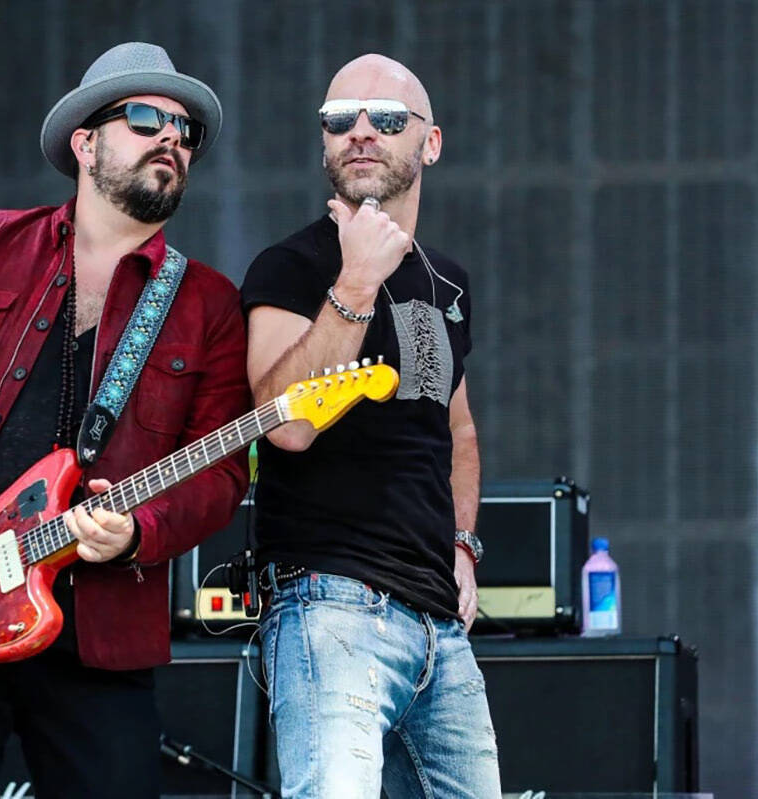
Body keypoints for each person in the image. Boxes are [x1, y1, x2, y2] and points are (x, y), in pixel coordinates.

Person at [0, 42, 249, 798]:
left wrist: (139, 531)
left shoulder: (208, 304)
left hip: (100, 638)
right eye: (145, 118)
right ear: (85, 142)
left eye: (185, 130)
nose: (172, 136)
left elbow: (222, 473)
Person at [240, 54, 501, 798]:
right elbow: (285, 426)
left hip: (438, 623)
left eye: (385, 118)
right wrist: (355, 283)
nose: (360, 132)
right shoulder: (289, 266)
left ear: (430, 143)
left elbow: (457, 430)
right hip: (330, 602)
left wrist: (462, 544)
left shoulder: (448, 281)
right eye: (339, 119)